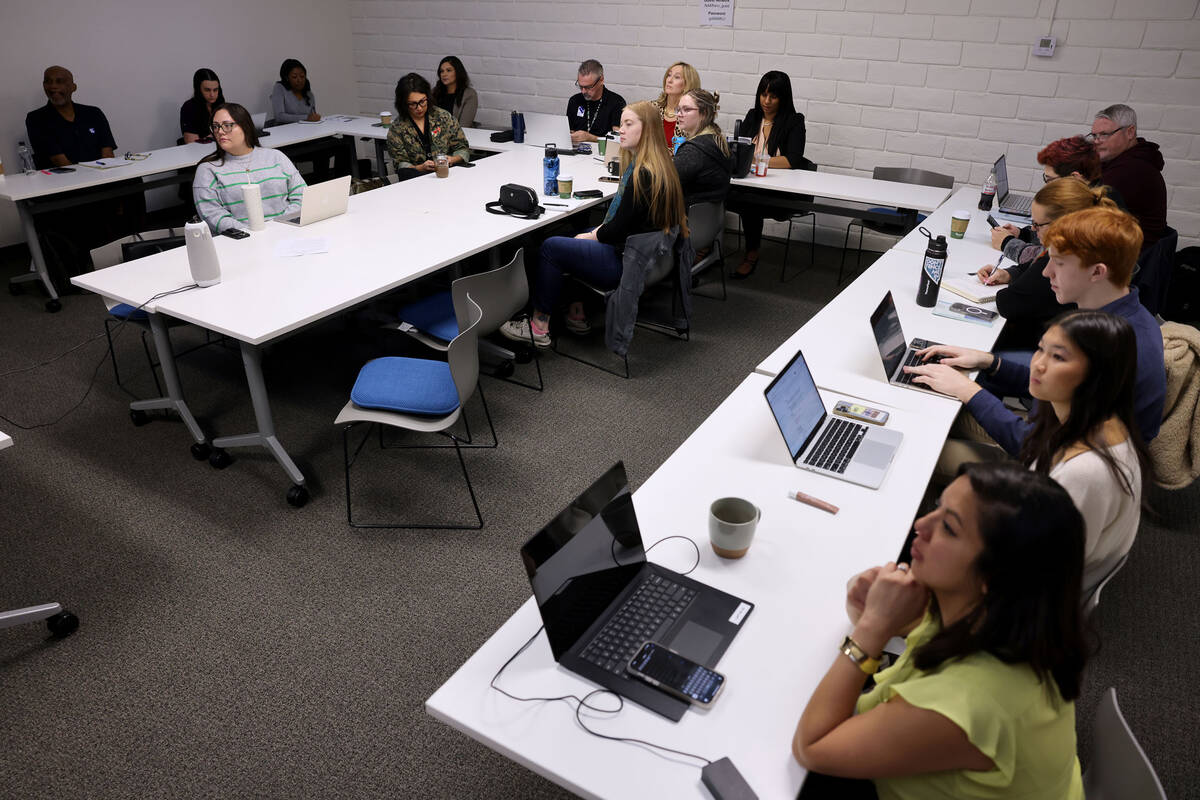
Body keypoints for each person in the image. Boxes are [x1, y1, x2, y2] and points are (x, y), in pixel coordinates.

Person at [793, 462, 1089, 800]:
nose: (921, 525)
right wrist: (873, 609)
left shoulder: (970, 702)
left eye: (948, 527)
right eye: (938, 507)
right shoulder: (1003, 618)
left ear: (991, 576)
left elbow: (812, 747)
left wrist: (872, 628)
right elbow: (893, 619)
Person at [906, 206, 1166, 455]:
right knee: (958, 384)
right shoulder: (1121, 316)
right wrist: (989, 361)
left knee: (927, 417)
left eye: (1059, 263)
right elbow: (1057, 384)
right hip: (1046, 430)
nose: (1046, 272)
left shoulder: (1110, 347)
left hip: (1045, 462)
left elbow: (1037, 448)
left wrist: (967, 391)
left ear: (1097, 272)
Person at [499, 101, 687, 348]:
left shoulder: (642, 174)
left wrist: (594, 235)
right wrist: (594, 234)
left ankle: (539, 326)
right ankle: (576, 311)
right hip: (647, 257)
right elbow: (623, 223)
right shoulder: (661, 164)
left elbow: (616, 229)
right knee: (572, 235)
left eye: (629, 124)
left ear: (648, 130)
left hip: (625, 261)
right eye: (622, 124)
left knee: (551, 247)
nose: (621, 129)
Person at [977, 180, 1118, 352]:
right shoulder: (1090, 246)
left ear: (1060, 224)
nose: (1033, 230)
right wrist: (1010, 274)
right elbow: (1033, 266)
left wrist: (1018, 279)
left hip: (1039, 347)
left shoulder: (1068, 259)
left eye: (1037, 225)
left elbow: (1008, 302)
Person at [989, 136, 1124, 268]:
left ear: (1075, 178)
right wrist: (1023, 234)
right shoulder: (1096, 193)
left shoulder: (1091, 213)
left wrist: (1007, 243)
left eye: (1050, 179)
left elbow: (1049, 261)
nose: (1047, 186)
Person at [727, 70, 807, 279]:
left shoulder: (794, 121)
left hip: (780, 192)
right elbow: (738, 151)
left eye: (773, 96)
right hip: (749, 184)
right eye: (763, 95)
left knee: (750, 203)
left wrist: (756, 160)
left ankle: (751, 254)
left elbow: (792, 160)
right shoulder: (752, 116)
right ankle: (704, 247)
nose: (767, 101)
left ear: (784, 97)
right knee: (714, 190)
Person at [192, 103, 305, 234]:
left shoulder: (276, 157)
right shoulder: (208, 170)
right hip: (241, 241)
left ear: (245, 126)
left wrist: (279, 226)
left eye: (227, 125)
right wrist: (250, 233)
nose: (220, 131)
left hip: (287, 231)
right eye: (216, 126)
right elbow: (212, 215)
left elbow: (302, 195)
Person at [1089, 104, 1168, 250]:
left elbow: (1082, 210)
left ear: (1130, 132)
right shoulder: (1119, 161)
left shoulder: (1132, 169)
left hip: (1129, 261)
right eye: (1094, 135)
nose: (1097, 141)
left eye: (1104, 134)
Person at [25, 65, 116, 168]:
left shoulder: (94, 113)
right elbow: (59, 161)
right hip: (62, 181)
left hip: (101, 178)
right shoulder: (37, 119)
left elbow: (108, 154)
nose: (53, 86)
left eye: (60, 81)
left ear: (73, 87)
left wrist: (104, 176)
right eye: (48, 82)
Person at [386, 73, 470, 177]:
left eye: (422, 101)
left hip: (447, 176)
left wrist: (452, 159)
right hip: (415, 180)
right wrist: (420, 168)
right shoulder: (397, 129)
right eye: (413, 104)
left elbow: (463, 148)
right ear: (403, 104)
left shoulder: (443, 117)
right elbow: (400, 164)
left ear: (428, 97)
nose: (419, 108)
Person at [672, 89, 731, 208]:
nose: (679, 114)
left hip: (685, 219)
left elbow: (665, 182)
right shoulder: (716, 139)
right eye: (678, 109)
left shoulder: (694, 150)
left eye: (687, 109)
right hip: (705, 220)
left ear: (704, 113)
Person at [566, 59, 626, 145]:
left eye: (588, 87)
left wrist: (591, 138)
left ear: (601, 80)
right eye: (580, 86)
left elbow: (618, 140)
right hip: (576, 153)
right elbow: (569, 131)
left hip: (603, 153)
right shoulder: (574, 100)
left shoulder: (616, 102)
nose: (583, 91)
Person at [650, 62, 701, 148]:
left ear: (687, 84)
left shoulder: (691, 116)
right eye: (669, 75)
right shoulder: (652, 108)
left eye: (677, 77)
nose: (669, 80)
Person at [180, 68, 225, 144]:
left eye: (215, 90)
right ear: (198, 90)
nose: (212, 94)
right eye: (207, 90)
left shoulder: (220, 103)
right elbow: (192, 143)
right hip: (200, 151)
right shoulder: (189, 108)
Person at [431, 56, 478, 128]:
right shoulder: (434, 92)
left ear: (458, 72)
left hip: (457, 137)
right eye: (442, 71)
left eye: (448, 70)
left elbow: (464, 126)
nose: (444, 74)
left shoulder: (469, 94)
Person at [270, 58, 320, 123]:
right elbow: (279, 116)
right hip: (286, 131)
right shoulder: (279, 88)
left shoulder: (309, 94)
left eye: (302, 76)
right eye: (294, 77)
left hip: (307, 130)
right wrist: (306, 117)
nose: (299, 80)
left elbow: (312, 117)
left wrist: (314, 117)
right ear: (287, 78)